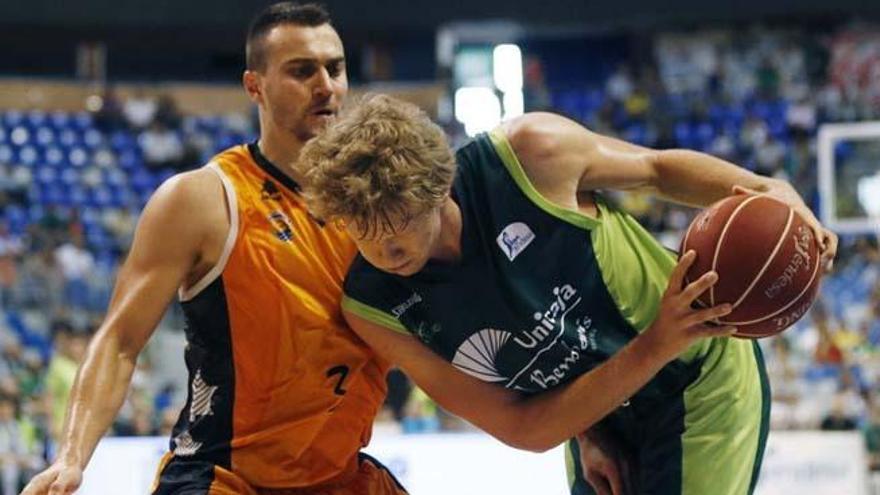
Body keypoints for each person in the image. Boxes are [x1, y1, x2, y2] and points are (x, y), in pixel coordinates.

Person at [299, 95, 838, 495]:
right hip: (599, 409)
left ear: (440, 188)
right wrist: (587, 425)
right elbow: (522, 426)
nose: (384, 250)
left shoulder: (531, 155)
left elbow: (655, 170)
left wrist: (764, 189)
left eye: (399, 227)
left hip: (696, 369)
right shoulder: (373, 307)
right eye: (360, 231)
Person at [22, 5, 406, 495]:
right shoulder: (202, 199)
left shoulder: (377, 207)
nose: (326, 85)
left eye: (335, 68)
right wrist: (71, 459)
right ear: (254, 86)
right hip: (226, 477)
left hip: (341, 475)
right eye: (302, 70)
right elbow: (120, 341)